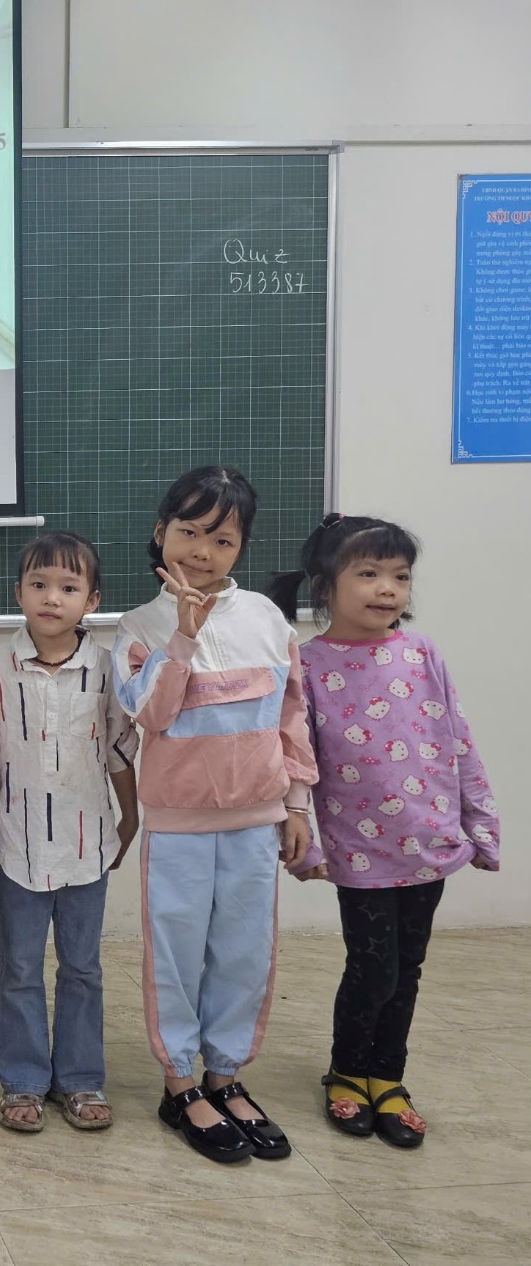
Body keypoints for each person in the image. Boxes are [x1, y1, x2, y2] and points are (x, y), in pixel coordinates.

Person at [269, 513, 499, 1148]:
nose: (387, 589)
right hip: (361, 850)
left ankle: (387, 1078)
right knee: (374, 970)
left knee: (410, 967)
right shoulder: (308, 664)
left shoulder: (422, 652)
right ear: (326, 584)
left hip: (432, 841)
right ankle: (346, 1072)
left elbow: (458, 742)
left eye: (399, 576)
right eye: (367, 573)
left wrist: (480, 822)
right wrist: (306, 840)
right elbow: (296, 760)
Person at [112, 465, 318, 1164]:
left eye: (221, 538)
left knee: (243, 954)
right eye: (189, 530)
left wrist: (293, 802)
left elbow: (292, 715)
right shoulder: (135, 627)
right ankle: (179, 1084)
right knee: (173, 957)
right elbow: (150, 713)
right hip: (176, 825)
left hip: (255, 821)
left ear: (241, 546)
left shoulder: (264, 616)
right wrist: (182, 637)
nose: (202, 550)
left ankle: (226, 1078)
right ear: (159, 532)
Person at [0, 531, 139, 1133]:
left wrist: (131, 816)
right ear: (18, 592)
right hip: (18, 842)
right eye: (39, 584)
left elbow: (121, 749)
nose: (52, 598)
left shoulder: (106, 669)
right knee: (19, 968)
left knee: (82, 968)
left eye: (68, 587)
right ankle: (22, 1081)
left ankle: (79, 1079)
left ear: (92, 600)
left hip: (87, 842)